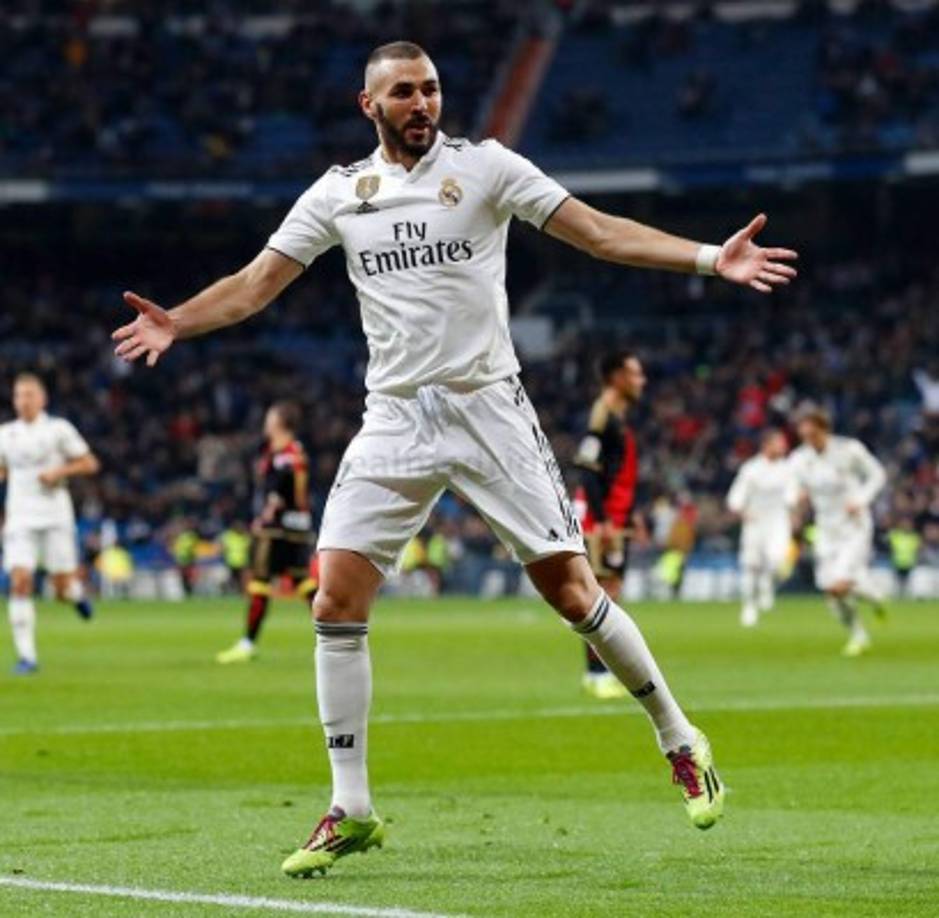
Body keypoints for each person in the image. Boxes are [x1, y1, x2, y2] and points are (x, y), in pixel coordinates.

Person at [112, 41, 798, 875]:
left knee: (571, 589)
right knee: (332, 596)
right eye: (403, 92)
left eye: (431, 89)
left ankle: (678, 735)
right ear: (369, 104)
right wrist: (178, 321)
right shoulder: (339, 193)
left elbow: (597, 232)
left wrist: (703, 257)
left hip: (487, 409)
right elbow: (258, 283)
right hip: (394, 417)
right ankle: (350, 806)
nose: (422, 103)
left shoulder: (486, 169)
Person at [0, 372, 99, 674]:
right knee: (20, 581)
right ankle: (27, 657)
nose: (24, 400)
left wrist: (59, 472)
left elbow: (89, 463)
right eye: (19, 395)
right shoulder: (5, 433)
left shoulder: (59, 429)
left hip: (56, 515)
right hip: (20, 517)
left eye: (29, 394)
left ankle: (75, 595)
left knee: (60, 589)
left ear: (42, 399)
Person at [216, 403, 317, 663]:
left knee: (260, 581)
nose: (266, 421)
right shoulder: (293, 451)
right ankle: (331, 636)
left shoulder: (284, 454)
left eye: (269, 417)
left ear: (279, 422)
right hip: (297, 526)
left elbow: (280, 486)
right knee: (302, 581)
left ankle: (247, 643)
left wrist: (268, 513)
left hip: (276, 529)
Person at [573, 350, 648, 699]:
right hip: (603, 522)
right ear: (616, 377)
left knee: (609, 594)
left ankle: (599, 672)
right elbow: (586, 469)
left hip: (617, 517)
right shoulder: (602, 416)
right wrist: (602, 521)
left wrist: (631, 514)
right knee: (602, 596)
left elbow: (617, 473)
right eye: (634, 374)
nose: (641, 381)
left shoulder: (618, 416)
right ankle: (595, 673)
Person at [789, 406, 887, 656]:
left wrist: (862, 499)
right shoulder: (800, 459)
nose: (809, 440)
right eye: (804, 436)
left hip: (854, 526)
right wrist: (796, 499)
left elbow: (877, 475)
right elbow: (792, 489)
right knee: (830, 592)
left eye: (812, 434)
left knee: (839, 584)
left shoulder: (849, 449)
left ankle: (866, 604)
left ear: (823, 429)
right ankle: (865, 614)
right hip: (826, 529)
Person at [725, 428, 795, 627]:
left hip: (778, 521)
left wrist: (795, 503)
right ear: (766, 445)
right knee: (750, 566)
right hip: (755, 522)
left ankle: (766, 584)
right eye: (779, 442)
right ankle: (749, 607)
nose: (783, 446)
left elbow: (792, 493)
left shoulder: (788, 468)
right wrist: (742, 511)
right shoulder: (751, 469)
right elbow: (735, 497)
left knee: (777, 561)